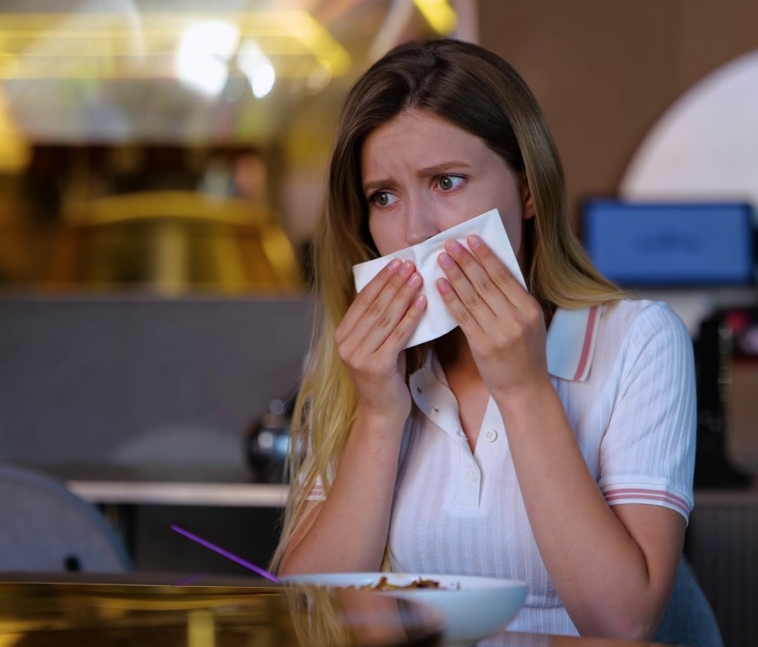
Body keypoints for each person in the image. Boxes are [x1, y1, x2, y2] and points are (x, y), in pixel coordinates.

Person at [272, 39, 696, 641]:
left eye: (446, 182)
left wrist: (525, 390)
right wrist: (378, 414)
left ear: (527, 192)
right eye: (383, 197)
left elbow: (621, 622)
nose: (413, 230)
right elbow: (311, 611)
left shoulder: (639, 341)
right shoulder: (361, 361)